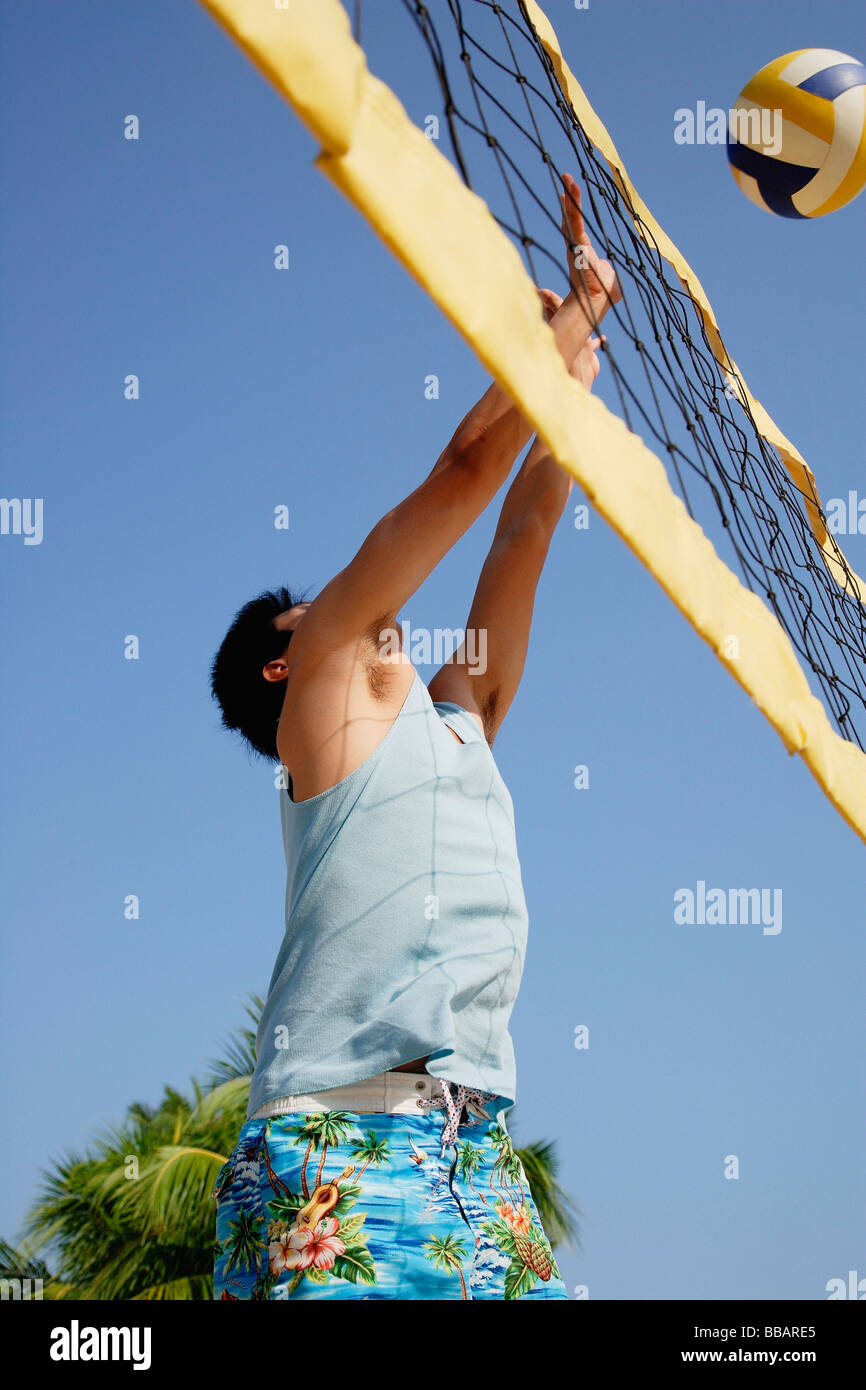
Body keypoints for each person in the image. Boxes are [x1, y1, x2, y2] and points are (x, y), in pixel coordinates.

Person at [208, 174, 619, 1300]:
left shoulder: (462, 716)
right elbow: (463, 473)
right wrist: (561, 326)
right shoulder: (325, 706)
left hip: (476, 1158)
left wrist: (572, 369)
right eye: (314, 601)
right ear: (286, 662)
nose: (343, 593)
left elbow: (522, 526)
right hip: (340, 1145)